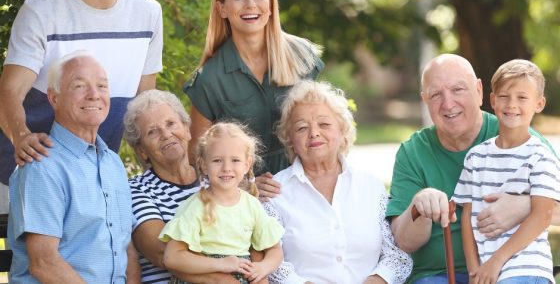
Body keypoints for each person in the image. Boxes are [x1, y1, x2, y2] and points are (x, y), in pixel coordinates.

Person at [0, 0, 163, 213]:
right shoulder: (41, 11)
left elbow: (144, 107)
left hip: (94, 177)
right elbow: (9, 92)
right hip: (17, 170)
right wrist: (21, 137)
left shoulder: (147, 12)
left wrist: (160, 174)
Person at [386, 54, 558, 284]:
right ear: (424, 99)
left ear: (478, 91)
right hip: (438, 275)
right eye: (436, 94)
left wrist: (525, 205)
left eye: (458, 89)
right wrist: (420, 205)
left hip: (510, 269)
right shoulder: (413, 152)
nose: (448, 104)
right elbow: (404, 242)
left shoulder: (522, 139)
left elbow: (550, 208)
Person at [183, 0, 323, 192]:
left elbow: (322, 124)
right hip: (245, 200)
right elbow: (197, 158)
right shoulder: (209, 78)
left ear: (270, 4)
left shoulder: (301, 56)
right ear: (222, 9)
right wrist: (245, 185)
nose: (250, 5)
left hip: (307, 184)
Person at [266, 80, 412, 284]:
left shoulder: (371, 186)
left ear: (342, 129)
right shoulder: (275, 193)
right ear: (289, 139)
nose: (314, 133)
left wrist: (377, 281)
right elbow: (272, 266)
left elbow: (396, 255)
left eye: (324, 124)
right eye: (301, 128)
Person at [8, 52, 135, 283]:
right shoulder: (42, 164)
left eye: (102, 86)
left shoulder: (113, 164)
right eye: (79, 85)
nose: (94, 95)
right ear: (54, 98)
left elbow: (127, 247)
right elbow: (45, 264)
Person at [452, 59, 559, 284]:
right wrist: (474, 272)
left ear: (539, 104)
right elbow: (467, 218)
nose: (511, 104)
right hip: (488, 272)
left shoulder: (540, 156)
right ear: (492, 100)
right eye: (504, 96)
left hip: (528, 270)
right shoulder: (476, 157)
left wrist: (496, 261)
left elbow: (543, 215)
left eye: (522, 97)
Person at [125, 90, 245, 284]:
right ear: (141, 151)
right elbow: (163, 252)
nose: (166, 134)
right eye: (152, 132)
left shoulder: (217, 178)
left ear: (188, 130)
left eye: (171, 124)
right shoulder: (136, 190)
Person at [160, 122, 284, 284]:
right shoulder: (196, 206)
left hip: (241, 275)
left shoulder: (251, 205)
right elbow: (172, 257)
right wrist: (220, 264)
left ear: (247, 164)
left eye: (235, 160)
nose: (226, 168)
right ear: (204, 165)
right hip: (205, 276)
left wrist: (262, 268)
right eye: (217, 160)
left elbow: (275, 250)